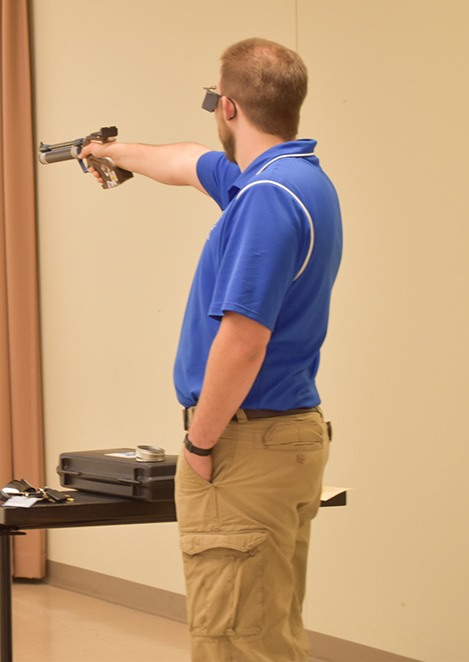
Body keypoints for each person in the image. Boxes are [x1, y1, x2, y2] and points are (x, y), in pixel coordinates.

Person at [79, 38, 342, 662]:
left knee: (236, 644)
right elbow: (187, 161)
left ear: (227, 107)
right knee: (267, 633)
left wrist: (200, 440)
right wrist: (112, 152)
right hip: (286, 437)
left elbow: (244, 339)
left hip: (243, 445)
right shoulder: (296, 181)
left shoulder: (265, 200)